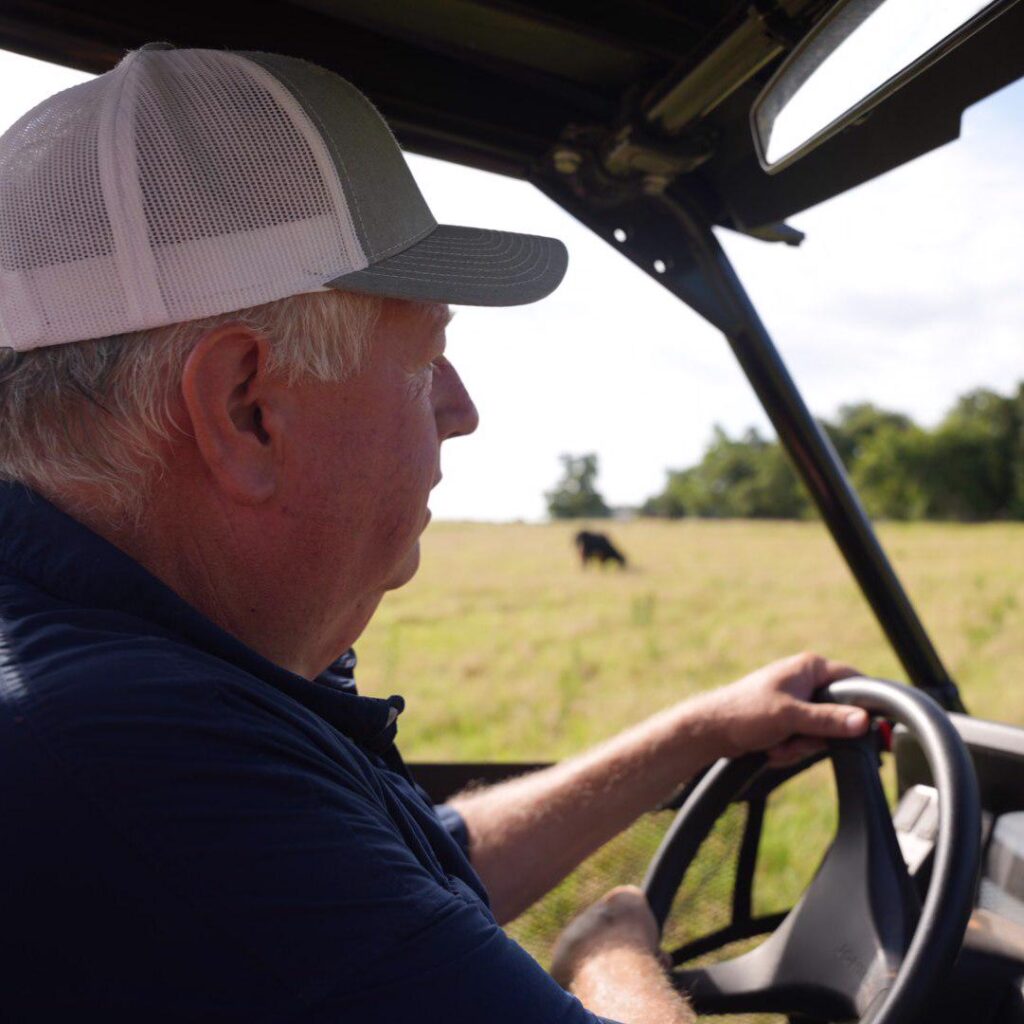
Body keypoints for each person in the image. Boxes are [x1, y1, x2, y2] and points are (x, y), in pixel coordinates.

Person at [0, 44, 868, 1023]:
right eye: (426, 355)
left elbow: (397, 880)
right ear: (246, 408)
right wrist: (608, 955)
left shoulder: (132, 664)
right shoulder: (126, 759)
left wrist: (698, 730)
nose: (461, 410)